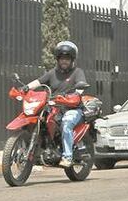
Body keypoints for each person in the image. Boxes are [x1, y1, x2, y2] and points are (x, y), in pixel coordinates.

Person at [28, 40, 88, 168]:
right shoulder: (52, 73)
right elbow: (39, 82)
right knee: (39, 119)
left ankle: (67, 157)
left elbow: (81, 86)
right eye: (61, 58)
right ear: (57, 59)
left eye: (67, 58)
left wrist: (75, 94)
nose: (64, 61)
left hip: (72, 108)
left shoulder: (78, 72)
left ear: (72, 60)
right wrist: (26, 88)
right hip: (54, 108)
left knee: (66, 123)